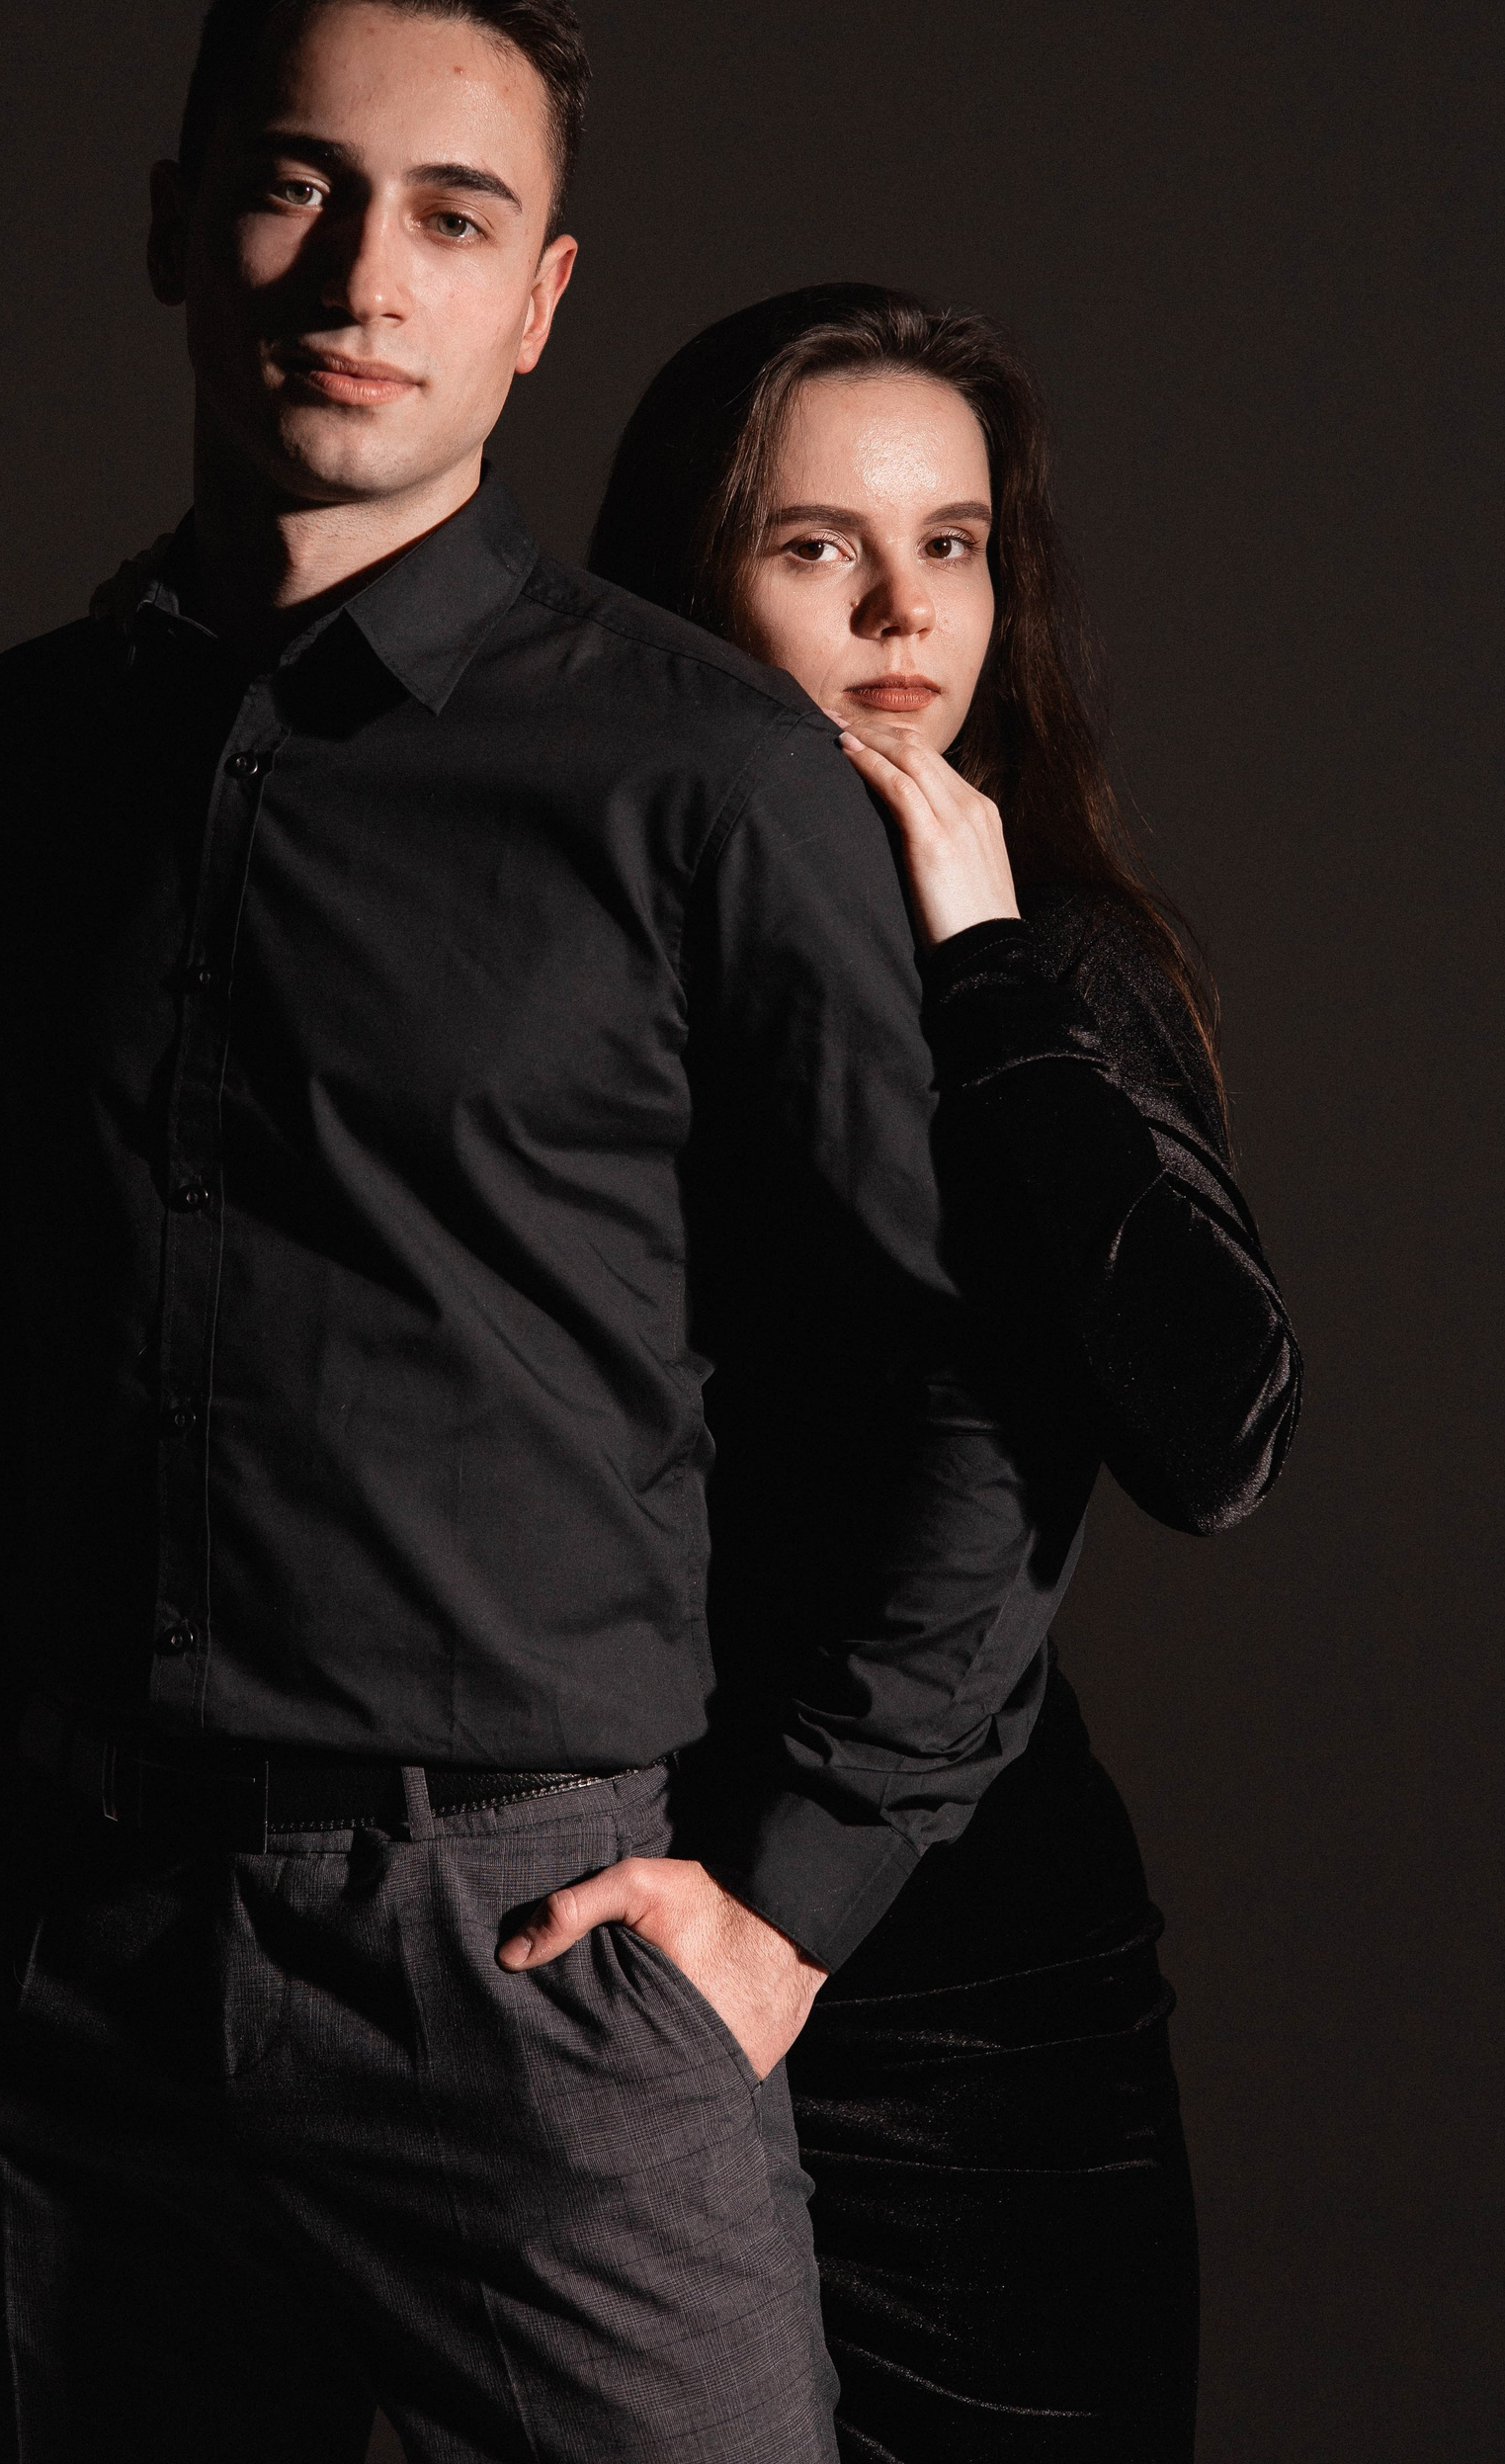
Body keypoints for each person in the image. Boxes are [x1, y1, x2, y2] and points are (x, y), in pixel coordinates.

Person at [0, 0, 1087, 2463]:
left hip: (525, 1970)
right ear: (176, 221)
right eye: (294, 186)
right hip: (83, 1965)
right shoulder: (6, 767)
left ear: (537, 304)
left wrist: (791, 1903)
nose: (361, 276)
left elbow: (988, 1374)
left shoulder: (695, 778)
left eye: (449, 215)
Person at [588, 284, 1302, 2462]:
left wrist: (983, 970)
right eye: (817, 544)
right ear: (688, 579)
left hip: (970, 2004)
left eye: (957, 544)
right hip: (597, 1915)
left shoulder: (1053, 960)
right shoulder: (575, 951)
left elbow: (1218, 1437)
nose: (906, 611)